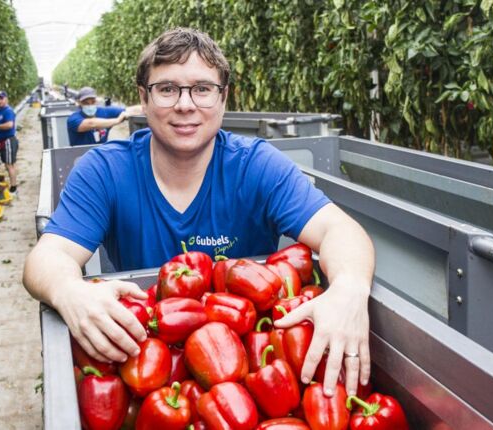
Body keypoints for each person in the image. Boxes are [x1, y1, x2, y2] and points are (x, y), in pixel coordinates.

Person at [23, 28, 374, 398]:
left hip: (244, 360)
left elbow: (340, 231)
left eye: (203, 89)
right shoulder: (105, 171)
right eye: (167, 89)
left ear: (223, 99)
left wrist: (349, 289)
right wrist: (68, 289)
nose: (185, 105)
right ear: (144, 98)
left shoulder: (256, 164)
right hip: (149, 355)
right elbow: (49, 256)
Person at [0, 91, 18, 192]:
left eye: (1, 98)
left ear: (6, 99)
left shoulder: (8, 111)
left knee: (9, 164)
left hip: (8, 140)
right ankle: (14, 185)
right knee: (9, 164)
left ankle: (13, 187)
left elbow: (10, 125)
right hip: (3, 141)